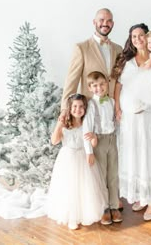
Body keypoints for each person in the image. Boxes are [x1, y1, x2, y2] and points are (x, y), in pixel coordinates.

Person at [111, 23, 151, 221]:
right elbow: (119, 86)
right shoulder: (128, 62)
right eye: (133, 36)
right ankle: (143, 196)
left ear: (148, 37)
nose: (137, 39)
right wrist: (118, 108)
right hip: (130, 118)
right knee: (136, 153)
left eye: (140, 35)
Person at [47, 93, 107, 230]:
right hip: (67, 159)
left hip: (83, 157)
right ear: (69, 108)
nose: (78, 109)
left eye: (81, 107)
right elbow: (54, 141)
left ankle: (84, 213)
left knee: (84, 187)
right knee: (69, 188)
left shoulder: (87, 124)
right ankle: (71, 217)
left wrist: (93, 137)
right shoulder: (65, 125)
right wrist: (59, 125)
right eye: (74, 106)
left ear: (85, 109)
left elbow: (93, 143)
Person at [59, 8, 122, 120]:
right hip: (89, 109)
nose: (105, 24)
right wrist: (65, 109)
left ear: (112, 24)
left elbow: (120, 80)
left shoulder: (118, 49)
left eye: (109, 21)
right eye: (101, 20)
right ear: (94, 22)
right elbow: (71, 81)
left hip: (111, 110)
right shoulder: (82, 48)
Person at [83, 71, 123, 225]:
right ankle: (104, 208)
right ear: (90, 88)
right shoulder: (91, 104)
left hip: (112, 140)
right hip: (98, 141)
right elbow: (87, 130)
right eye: (95, 85)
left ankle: (114, 207)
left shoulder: (112, 101)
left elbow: (116, 122)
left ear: (107, 83)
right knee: (101, 176)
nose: (99, 88)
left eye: (102, 84)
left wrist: (118, 140)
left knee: (113, 175)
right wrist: (89, 151)